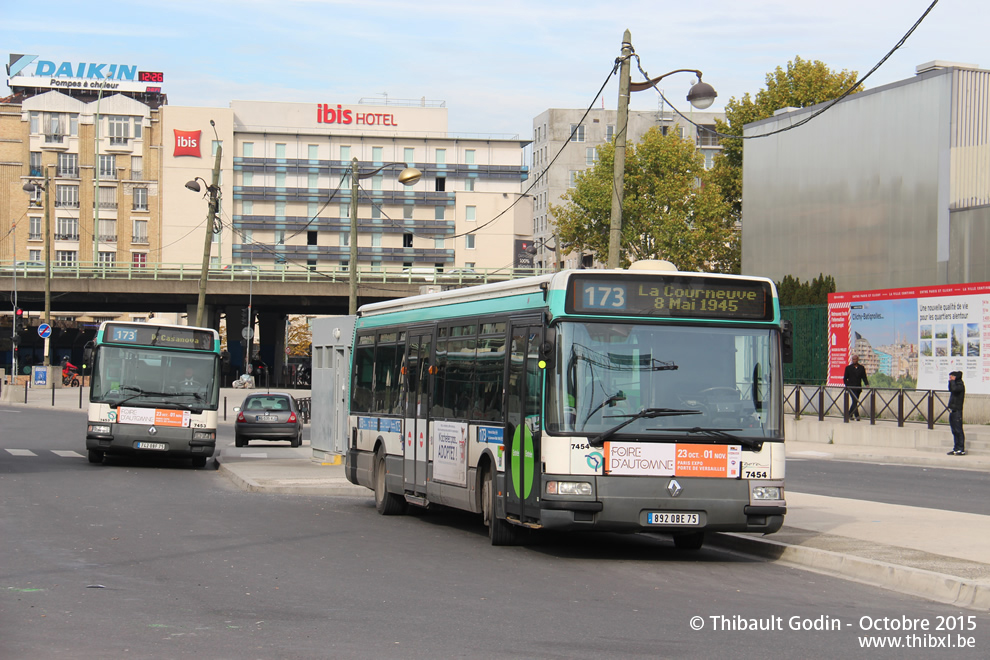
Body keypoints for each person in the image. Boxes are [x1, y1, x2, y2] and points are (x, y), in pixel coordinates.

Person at [843, 354, 869, 421]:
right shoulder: (848, 368)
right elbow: (845, 378)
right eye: (853, 359)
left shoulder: (861, 368)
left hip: (858, 387)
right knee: (855, 400)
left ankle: (849, 414)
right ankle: (857, 415)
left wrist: (867, 384)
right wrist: (847, 385)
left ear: (857, 360)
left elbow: (864, 377)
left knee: (855, 401)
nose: (854, 360)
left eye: (855, 359)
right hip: (851, 388)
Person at [947, 370, 966, 456]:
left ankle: (961, 449)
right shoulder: (954, 383)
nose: (950, 379)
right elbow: (951, 389)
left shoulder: (959, 385)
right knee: (954, 430)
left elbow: (954, 389)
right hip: (952, 410)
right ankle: (956, 448)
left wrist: (953, 381)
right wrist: (950, 382)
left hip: (957, 410)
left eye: (951, 377)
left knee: (958, 430)